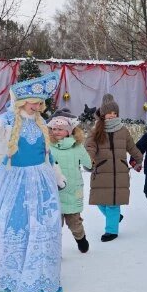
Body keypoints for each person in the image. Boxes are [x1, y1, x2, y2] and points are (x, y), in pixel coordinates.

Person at [0, 72, 66, 292]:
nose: (38, 106)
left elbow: (47, 155)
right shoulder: (6, 121)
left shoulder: (41, 123)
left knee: (41, 226)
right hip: (13, 182)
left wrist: (56, 174)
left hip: (41, 182)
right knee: (15, 224)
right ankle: (9, 272)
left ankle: (38, 275)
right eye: (34, 102)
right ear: (22, 100)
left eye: (41, 102)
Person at [85, 94, 144, 242]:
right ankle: (115, 217)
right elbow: (90, 146)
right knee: (99, 200)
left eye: (114, 113)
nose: (112, 115)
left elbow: (131, 146)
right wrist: (88, 159)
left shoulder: (123, 130)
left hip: (119, 172)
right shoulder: (96, 130)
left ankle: (111, 231)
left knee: (113, 203)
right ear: (103, 114)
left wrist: (138, 159)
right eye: (109, 113)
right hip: (101, 171)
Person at [48, 108, 93, 253]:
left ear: (69, 131)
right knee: (54, 224)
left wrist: (91, 164)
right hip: (54, 191)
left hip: (73, 190)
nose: (56, 132)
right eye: (54, 128)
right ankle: (53, 251)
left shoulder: (76, 146)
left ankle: (81, 238)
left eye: (60, 129)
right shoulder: (48, 147)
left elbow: (88, 162)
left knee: (74, 222)